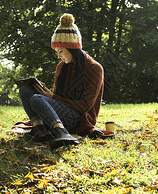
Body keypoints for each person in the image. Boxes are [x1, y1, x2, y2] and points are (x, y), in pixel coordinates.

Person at [19, 13, 104, 149]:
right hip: (62, 113)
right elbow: (57, 98)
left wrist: (51, 97)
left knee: (37, 99)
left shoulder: (94, 68)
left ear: (72, 49)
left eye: (60, 51)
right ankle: (41, 130)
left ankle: (62, 133)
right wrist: (48, 94)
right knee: (25, 90)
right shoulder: (61, 67)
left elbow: (85, 106)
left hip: (79, 118)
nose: (59, 56)